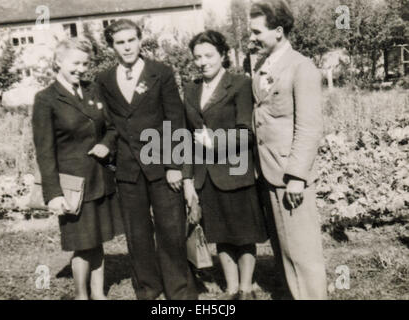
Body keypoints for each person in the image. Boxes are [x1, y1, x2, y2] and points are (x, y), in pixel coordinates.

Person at [96, 19, 198, 300]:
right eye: (120, 42)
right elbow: (110, 124)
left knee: (171, 231)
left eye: (131, 40)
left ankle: (179, 291)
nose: (127, 47)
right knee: (137, 234)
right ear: (111, 46)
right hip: (128, 170)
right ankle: (148, 289)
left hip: (163, 167)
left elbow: (174, 120)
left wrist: (175, 166)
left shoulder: (160, 72)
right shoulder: (104, 79)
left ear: (140, 40)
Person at [32, 38, 124, 300]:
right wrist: (54, 193)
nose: (81, 68)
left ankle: (99, 294)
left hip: (100, 180)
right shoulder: (46, 99)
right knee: (82, 244)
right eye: (75, 63)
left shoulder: (93, 90)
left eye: (85, 63)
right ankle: (82, 296)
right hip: (72, 187)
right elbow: (44, 151)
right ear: (59, 62)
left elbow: (112, 128)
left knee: (97, 240)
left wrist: (106, 144)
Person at [249, 0, 328, 300]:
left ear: (278, 31)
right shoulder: (261, 66)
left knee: (304, 252)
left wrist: (297, 176)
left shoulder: (302, 67)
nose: (252, 38)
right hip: (267, 172)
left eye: (257, 32)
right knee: (284, 247)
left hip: (290, 175)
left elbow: (309, 127)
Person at [182, 30, 268, 300]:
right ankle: (231, 289)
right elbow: (186, 137)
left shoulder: (240, 84)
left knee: (243, 235)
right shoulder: (191, 89)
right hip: (205, 175)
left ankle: (245, 288)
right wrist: (188, 180)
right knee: (220, 235)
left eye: (208, 55)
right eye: (197, 57)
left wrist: (214, 142)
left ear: (222, 55)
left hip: (235, 171)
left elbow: (247, 132)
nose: (202, 61)